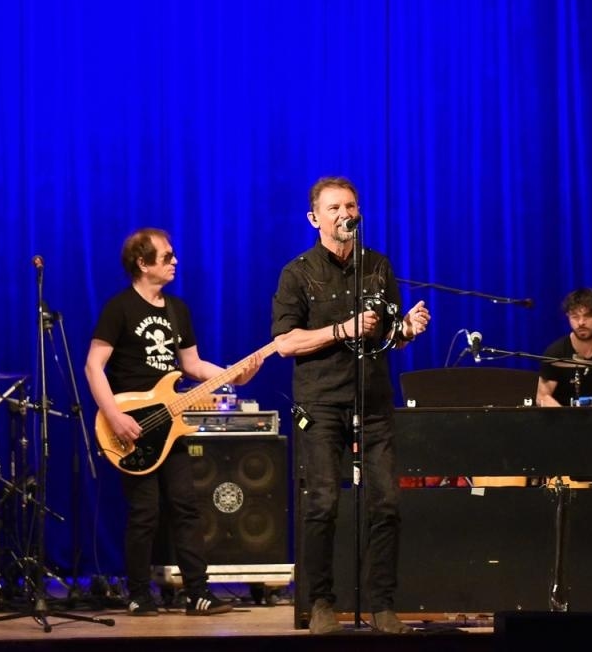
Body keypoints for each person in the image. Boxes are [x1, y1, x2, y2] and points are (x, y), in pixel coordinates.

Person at [271, 177, 431, 635]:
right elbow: (285, 343)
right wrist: (342, 329)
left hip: (373, 400)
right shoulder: (297, 273)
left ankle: (382, 604)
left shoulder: (378, 266)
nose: (346, 214)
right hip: (321, 402)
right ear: (314, 218)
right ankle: (321, 602)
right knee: (322, 503)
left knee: (387, 504)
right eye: (335, 207)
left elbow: (387, 335)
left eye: (352, 206)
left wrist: (407, 330)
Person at [85, 228, 265, 618]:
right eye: (166, 256)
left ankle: (197, 594)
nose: (175, 261)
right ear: (142, 262)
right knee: (144, 512)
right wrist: (114, 416)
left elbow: (192, 366)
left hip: (171, 424)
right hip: (132, 425)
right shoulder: (119, 308)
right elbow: (93, 366)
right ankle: (138, 594)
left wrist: (234, 375)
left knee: (186, 507)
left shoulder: (177, 309)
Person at [535, 288, 592, 407]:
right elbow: (542, 397)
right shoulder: (555, 352)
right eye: (575, 316)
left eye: (588, 316)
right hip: (564, 416)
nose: (581, 322)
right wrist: (566, 416)